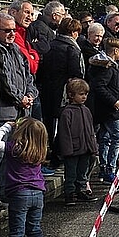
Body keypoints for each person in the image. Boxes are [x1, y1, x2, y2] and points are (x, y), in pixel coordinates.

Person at [0, 13, 37, 211]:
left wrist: (30, 94)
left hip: (20, 109)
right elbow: (4, 78)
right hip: (4, 110)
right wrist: (20, 97)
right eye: (6, 30)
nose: (11, 34)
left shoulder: (15, 48)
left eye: (13, 30)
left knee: (14, 152)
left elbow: (27, 74)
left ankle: (7, 190)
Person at [0, 118, 49, 237]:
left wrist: (6, 126)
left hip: (19, 194)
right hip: (38, 193)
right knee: (34, 228)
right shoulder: (40, 149)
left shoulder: (15, 148)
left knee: (17, 231)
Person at [36, 17, 84, 172]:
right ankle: (57, 156)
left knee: (50, 123)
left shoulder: (51, 45)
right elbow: (76, 72)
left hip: (48, 90)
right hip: (64, 92)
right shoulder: (72, 49)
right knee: (61, 125)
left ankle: (52, 155)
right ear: (73, 32)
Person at [88, 38, 119, 183]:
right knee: (118, 136)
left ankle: (104, 168)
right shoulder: (107, 68)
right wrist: (114, 101)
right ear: (116, 51)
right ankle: (111, 169)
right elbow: (99, 87)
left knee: (105, 138)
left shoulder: (104, 66)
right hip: (110, 110)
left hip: (103, 109)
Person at [56, 78, 99, 206]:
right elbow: (64, 133)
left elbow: (90, 130)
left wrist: (93, 147)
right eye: (81, 94)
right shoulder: (67, 112)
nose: (84, 97)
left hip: (85, 148)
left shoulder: (86, 110)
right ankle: (69, 193)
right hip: (73, 149)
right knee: (71, 173)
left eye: (85, 94)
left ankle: (81, 190)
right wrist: (67, 150)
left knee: (82, 172)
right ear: (71, 95)